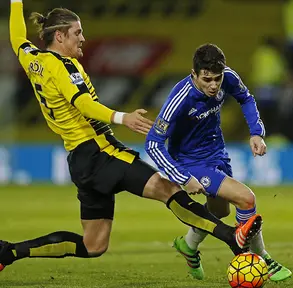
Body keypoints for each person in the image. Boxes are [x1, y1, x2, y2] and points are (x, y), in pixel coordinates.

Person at [0, 0, 262, 272]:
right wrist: (122, 117)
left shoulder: (33, 58)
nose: (83, 38)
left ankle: (8, 252)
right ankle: (231, 237)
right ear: (60, 36)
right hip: (101, 152)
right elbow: (82, 103)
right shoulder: (63, 67)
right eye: (77, 33)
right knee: (169, 189)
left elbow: (17, 37)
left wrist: (16, 2)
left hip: (80, 162)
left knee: (93, 245)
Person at [145, 43, 292, 282]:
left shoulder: (229, 78)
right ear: (194, 74)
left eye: (217, 78)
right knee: (246, 199)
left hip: (217, 154)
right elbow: (153, 143)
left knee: (219, 211)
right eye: (207, 79)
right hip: (191, 162)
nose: (213, 85)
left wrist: (256, 132)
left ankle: (188, 245)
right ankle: (262, 258)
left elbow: (246, 98)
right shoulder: (179, 98)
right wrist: (183, 177)